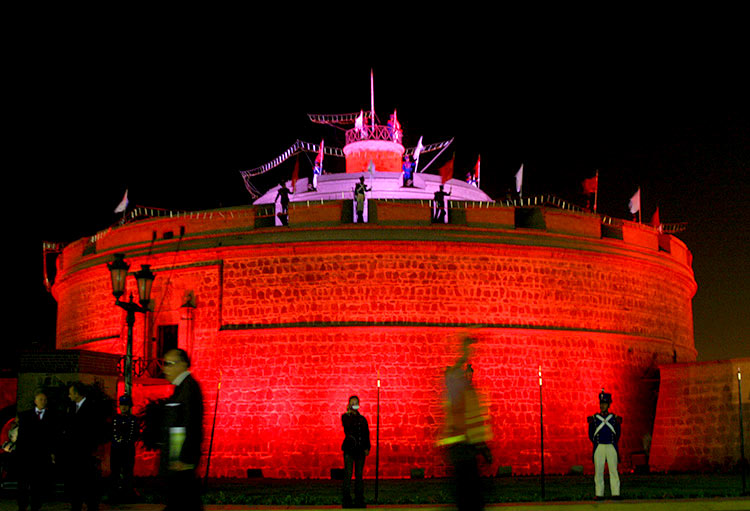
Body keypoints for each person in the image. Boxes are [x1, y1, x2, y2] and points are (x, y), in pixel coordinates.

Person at [438, 335, 492, 511]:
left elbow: (476, 421)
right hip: (459, 446)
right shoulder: (456, 390)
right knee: (466, 492)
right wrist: (465, 351)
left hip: (469, 446)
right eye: (464, 373)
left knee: (472, 493)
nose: (467, 375)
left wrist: (482, 445)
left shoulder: (470, 393)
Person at [161, 348, 204, 511]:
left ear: (183, 365)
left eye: (169, 364)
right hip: (178, 462)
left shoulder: (189, 388)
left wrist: (184, 458)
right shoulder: (181, 388)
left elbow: (191, 424)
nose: (165, 369)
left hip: (182, 463)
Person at [16, 390, 58, 511]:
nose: (43, 402)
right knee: (23, 484)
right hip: (27, 455)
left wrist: (52, 453)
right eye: (40, 400)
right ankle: (22, 505)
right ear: (35, 401)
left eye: (45, 400)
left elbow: (53, 436)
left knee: (38, 484)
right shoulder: (25, 416)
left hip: (42, 456)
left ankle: (36, 505)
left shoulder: (52, 416)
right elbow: (21, 437)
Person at [65, 382, 105, 511]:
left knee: (88, 482)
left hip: (87, 453)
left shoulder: (92, 407)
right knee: (75, 482)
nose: (69, 396)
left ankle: (91, 504)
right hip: (74, 453)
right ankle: (75, 504)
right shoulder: (72, 408)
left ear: (77, 393)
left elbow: (96, 430)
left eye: (71, 393)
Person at [587, 389, 622, 500]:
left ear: (608, 405)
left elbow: (618, 432)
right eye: (601, 404)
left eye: (605, 404)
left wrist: (613, 442)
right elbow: (591, 433)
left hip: (611, 445)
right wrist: (596, 442)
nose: (602, 406)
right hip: (599, 446)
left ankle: (615, 493)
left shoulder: (614, 419)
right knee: (599, 471)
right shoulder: (594, 419)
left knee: (613, 470)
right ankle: (599, 493)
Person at [341, 395, 370, 508]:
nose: (354, 405)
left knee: (359, 476)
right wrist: (349, 413)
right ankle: (346, 500)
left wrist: (367, 447)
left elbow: (366, 433)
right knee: (348, 475)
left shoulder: (362, 419)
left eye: (356, 402)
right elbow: (347, 427)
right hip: (349, 450)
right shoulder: (345, 417)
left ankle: (359, 499)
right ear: (349, 404)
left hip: (360, 451)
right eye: (352, 403)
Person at [110, 394, 139, 502]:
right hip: (116, 449)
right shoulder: (115, 419)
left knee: (128, 472)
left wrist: (128, 442)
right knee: (115, 472)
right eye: (122, 405)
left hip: (128, 449)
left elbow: (135, 434)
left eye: (126, 405)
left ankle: (128, 493)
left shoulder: (133, 419)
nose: (124, 407)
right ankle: (114, 494)